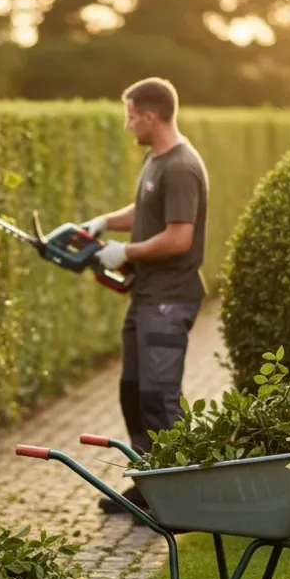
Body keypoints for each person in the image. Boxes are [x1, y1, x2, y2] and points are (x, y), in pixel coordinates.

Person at [82, 77, 209, 514]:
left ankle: (180, 499)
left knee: (159, 397)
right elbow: (148, 210)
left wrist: (126, 251)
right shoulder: (157, 161)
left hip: (170, 299)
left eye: (131, 116)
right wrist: (104, 223)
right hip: (147, 297)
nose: (127, 125)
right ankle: (148, 485)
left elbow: (178, 237)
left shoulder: (181, 166)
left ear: (150, 117)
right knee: (133, 391)